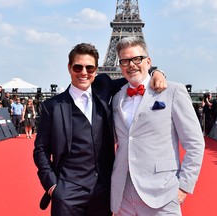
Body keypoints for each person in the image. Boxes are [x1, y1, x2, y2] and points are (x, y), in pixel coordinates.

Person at [33, 42, 167, 216]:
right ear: (69, 68)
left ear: (96, 70)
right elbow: (41, 149)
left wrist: (157, 72)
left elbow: (135, 77)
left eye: (89, 68)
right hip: (67, 193)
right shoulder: (52, 106)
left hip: (103, 192)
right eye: (78, 67)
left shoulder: (103, 87)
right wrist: (52, 186)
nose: (83, 73)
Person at [110, 37, 205, 216]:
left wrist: (184, 186)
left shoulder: (173, 91)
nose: (131, 65)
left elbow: (195, 143)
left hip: (161, 192)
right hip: (123, 193)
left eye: (137, 59)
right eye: (125, 61)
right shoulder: (116, 97)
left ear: (148, 61)